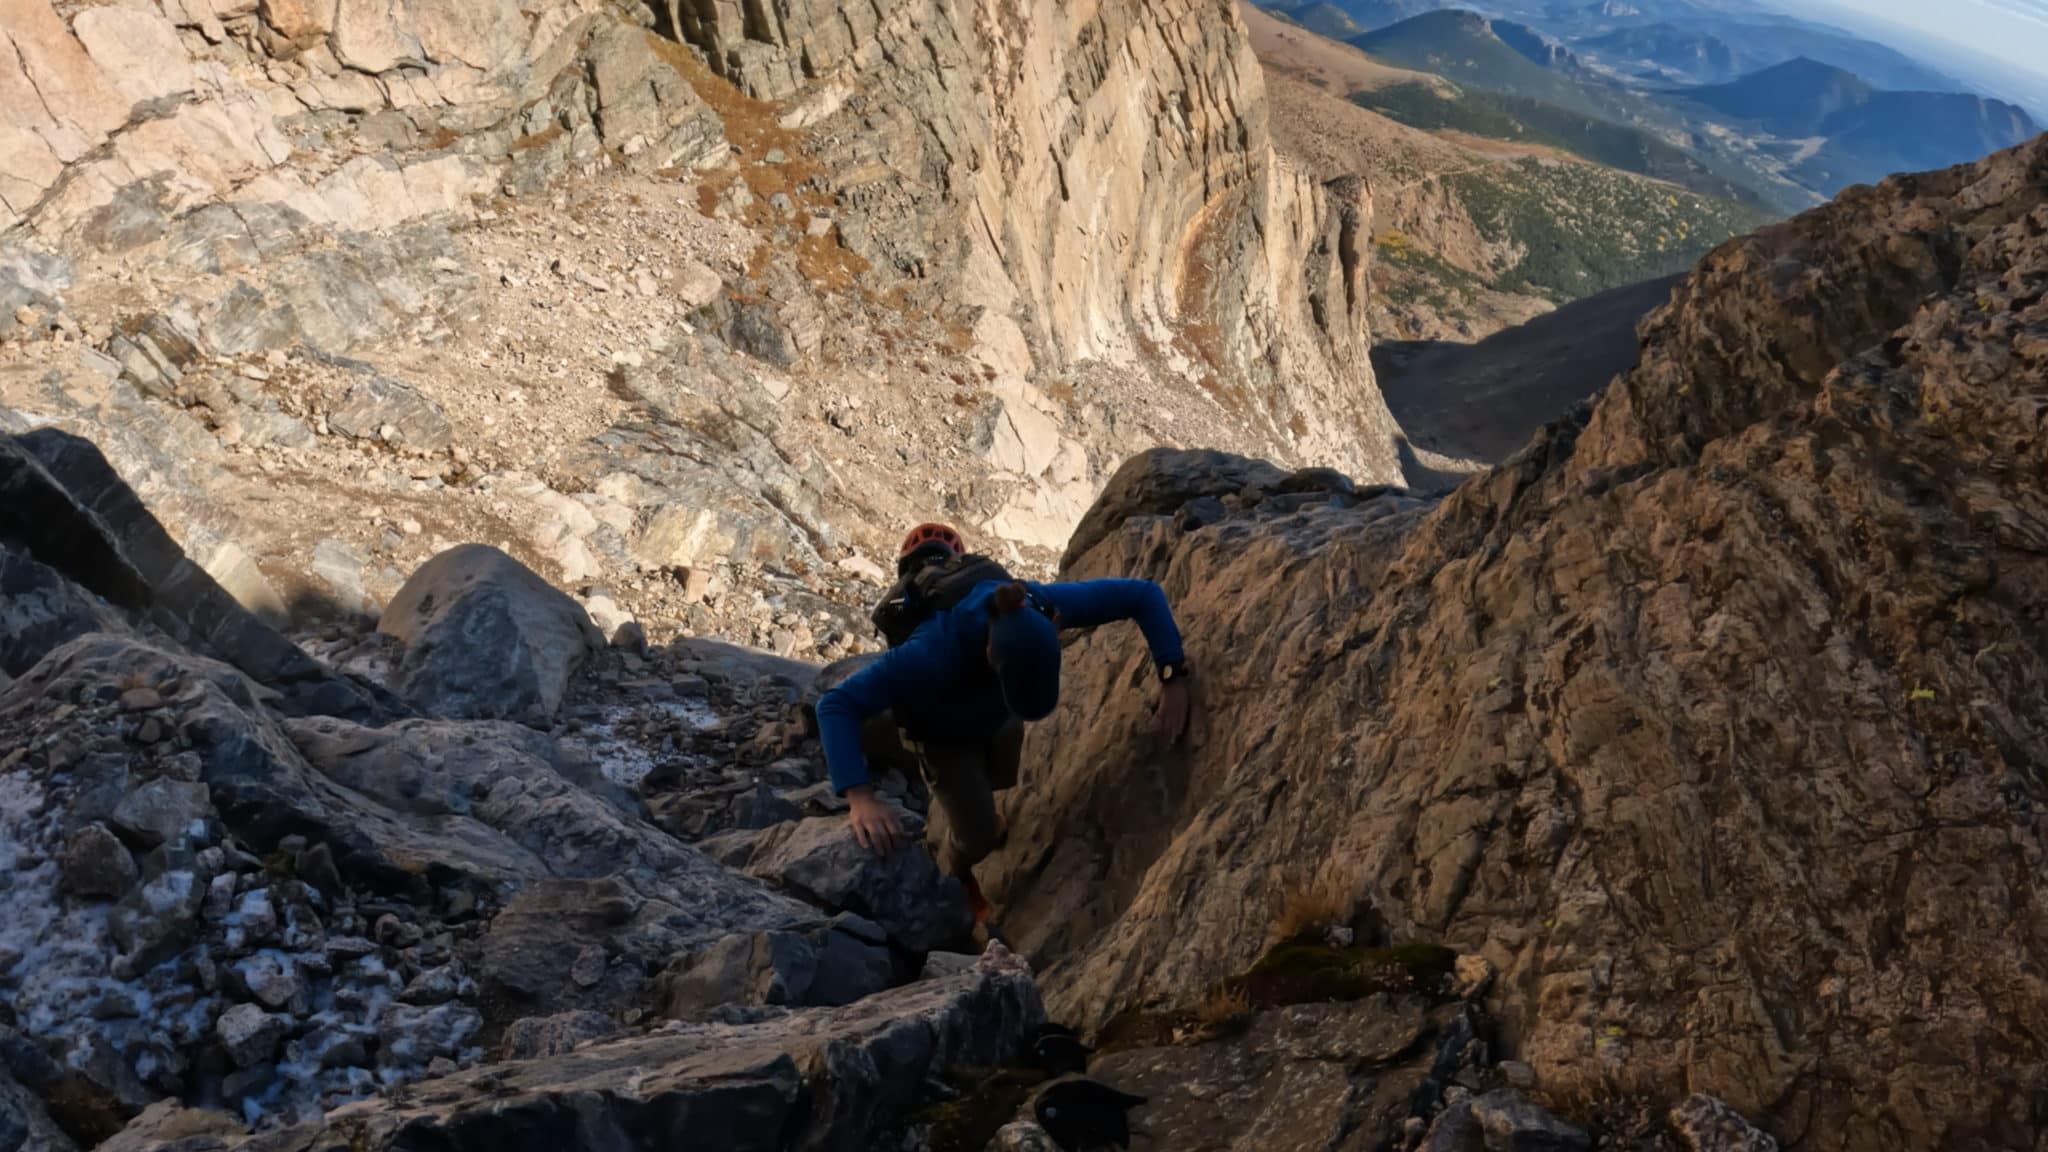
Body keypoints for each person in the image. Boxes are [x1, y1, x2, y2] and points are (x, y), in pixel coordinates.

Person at [815, 525, 1192, 927]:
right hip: (943, 736)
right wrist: (860, 797)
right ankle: (955, 871)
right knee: (978, 836)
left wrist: (1172, 674)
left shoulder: (1037, 602)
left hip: (995, 715)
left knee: (998, 775)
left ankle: (975, 804)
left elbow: (1142, 594)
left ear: (1054, 623)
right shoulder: (930, 650)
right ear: (990, 651)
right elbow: (835, 704)